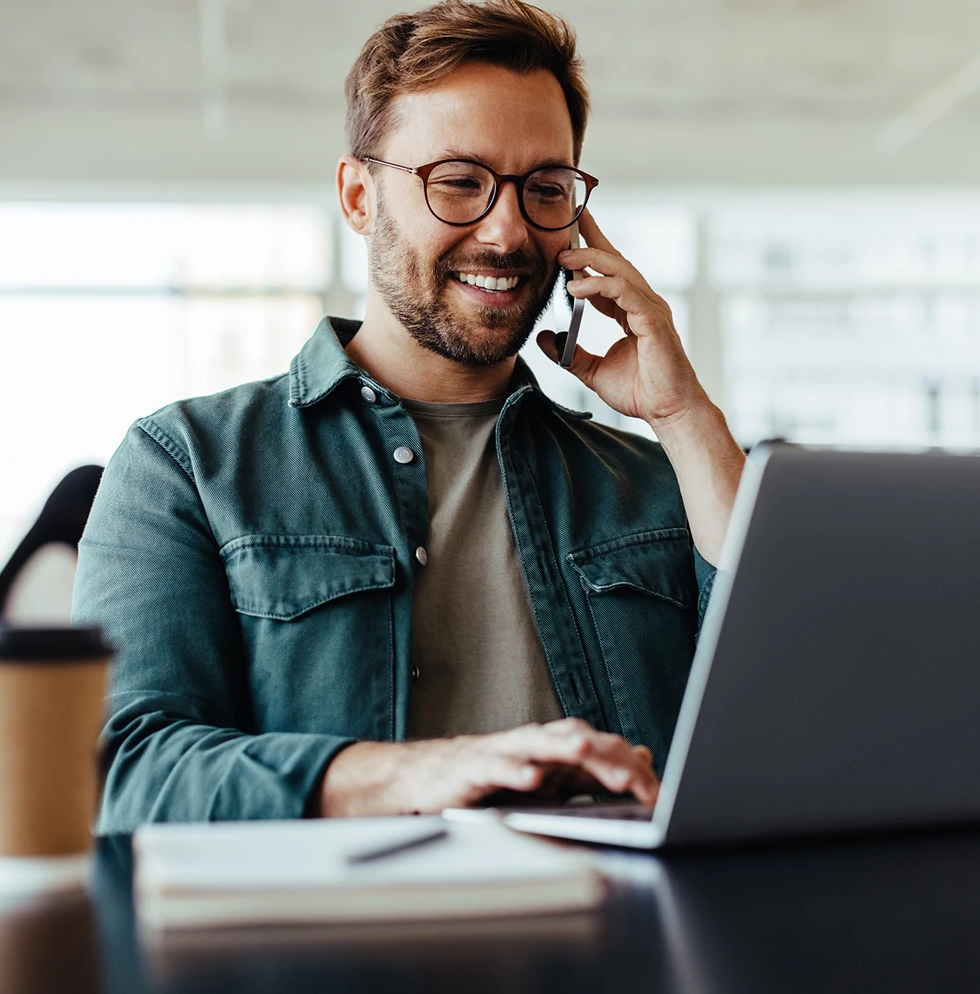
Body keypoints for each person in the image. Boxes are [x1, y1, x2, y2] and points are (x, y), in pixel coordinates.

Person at [73, 0, 746, 832]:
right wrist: (427, 771)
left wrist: (684, 416)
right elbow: (120, 772)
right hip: (334, 954)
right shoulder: (187, 463)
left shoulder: (653, 481)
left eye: (544, 188)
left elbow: (796, 718)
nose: (507, 232)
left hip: (625, 948)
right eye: (458, 181)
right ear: (359, 195)